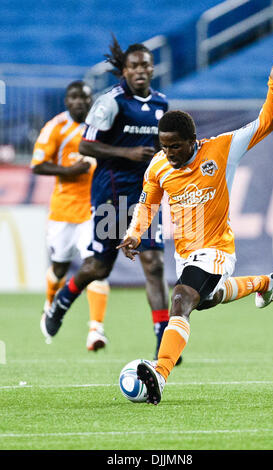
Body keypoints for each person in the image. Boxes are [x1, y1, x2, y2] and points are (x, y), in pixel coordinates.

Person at [118, 52, 273, 404]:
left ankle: (161, 373)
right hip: (186, 254)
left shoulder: (222, 149)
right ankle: (264, 281)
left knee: (180, 300)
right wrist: (135, 232)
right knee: (206, 299)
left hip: (217, 250)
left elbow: (266, 124)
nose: (169, 153)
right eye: (164, 147)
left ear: (193, 139)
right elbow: (148, 202)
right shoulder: (159, 166)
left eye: (175, 146)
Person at [40, 37, 173, 361]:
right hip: (112, 193)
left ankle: (163, 343)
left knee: (153, 265)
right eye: (134, 65)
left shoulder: (161, 104)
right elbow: (86, 145)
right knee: (99, 268)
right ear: (124, 71)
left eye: (145, 64)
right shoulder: (110, 101)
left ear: (152, 68)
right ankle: (63, 299)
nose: (140, 70)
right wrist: (126, 152)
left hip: (145, 196)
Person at [32, 81, 110, 351]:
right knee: (60, 267)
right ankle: (50, 306)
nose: (79, 102)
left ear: (91, 101)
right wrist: (70, 170)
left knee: (97, 266)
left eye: (84, 98)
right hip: (63, 212)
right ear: (67, 101)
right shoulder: (56, 128)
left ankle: (96, 329)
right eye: (74, 97)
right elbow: (38, 165)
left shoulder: (101, 128)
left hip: (94, 209)